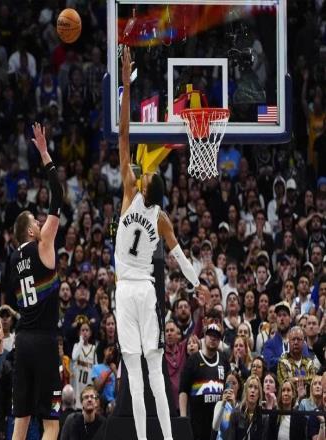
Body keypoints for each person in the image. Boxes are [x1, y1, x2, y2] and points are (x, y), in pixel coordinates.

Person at [115, 46, 207, 440]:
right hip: (144, 292)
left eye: (148, 175)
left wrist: (126, 86)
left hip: (128, 291)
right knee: (150, 371)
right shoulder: (161, 217)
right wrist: (197, 282)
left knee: (140, 373)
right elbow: (181, 258)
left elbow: (124, 134)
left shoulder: (129, 194)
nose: (146, 172)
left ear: (148, 187)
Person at [10, 122, 63, 440]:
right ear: (31, 231)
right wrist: (44, 153)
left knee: (21, 420)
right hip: (43, 342)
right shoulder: (43, 244)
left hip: (22, 340)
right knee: (51, 424)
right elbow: (58, 195)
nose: (41, 221)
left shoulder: (12, 260)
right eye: (36, 220)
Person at [179, 324, 230, 440]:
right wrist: (183, 418)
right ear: (204, 337)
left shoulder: (223, 360)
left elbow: (229, 385)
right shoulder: (193, 360)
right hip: (197, 423)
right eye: (210, 335)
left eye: (216, 336)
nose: (213, 338)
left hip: (218, 422)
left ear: (220, 340)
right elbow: (183, 390)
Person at [226, 375, 267, 440]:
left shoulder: (263, 416)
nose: (252, 390)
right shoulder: (235, 413)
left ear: (259, 393)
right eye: (250, 386)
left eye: (256, 388)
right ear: (246, 391)